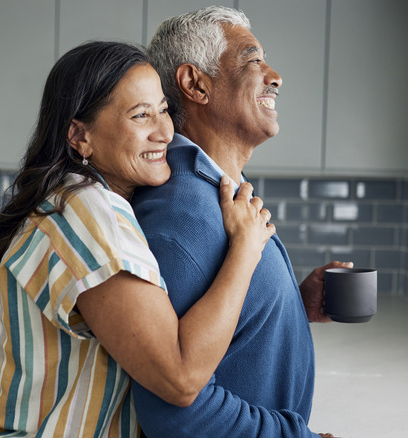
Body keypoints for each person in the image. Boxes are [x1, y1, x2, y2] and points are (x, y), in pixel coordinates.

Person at [0, 41, 275, 437]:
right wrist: (245, 249)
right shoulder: (86, 213)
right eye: (140, 115)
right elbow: (180, 376)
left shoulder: (85, 201)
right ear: (80, 136)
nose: (164, 131)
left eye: (163, 109)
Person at [130, 6, 351, 438]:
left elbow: (220, 330)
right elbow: (176, 415)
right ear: (196, 84)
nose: (275, 76)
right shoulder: (183, 215)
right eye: (253, 60)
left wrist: (290, 306)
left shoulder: (219, 191)